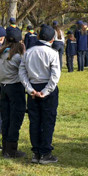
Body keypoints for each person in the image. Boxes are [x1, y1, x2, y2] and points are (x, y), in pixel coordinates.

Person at [19, 25, 61, 164]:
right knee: (48, 121)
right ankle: (45, 153)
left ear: (38, 37)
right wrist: (45, 91)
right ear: (52, 39)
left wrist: (30, 89)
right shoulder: (53, 53)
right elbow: (55, 76)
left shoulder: (28, 52)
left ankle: (36, 152)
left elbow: (22, 72)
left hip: (33, 87)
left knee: (35, 121)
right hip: (46, 87)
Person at [0, 26, 27, 158]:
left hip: (4, 88)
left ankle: (5, 148)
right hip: (16, 88)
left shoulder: (1, 54)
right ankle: (12, 149)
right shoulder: (18, 57)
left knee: (6, 119)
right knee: (15, 119)